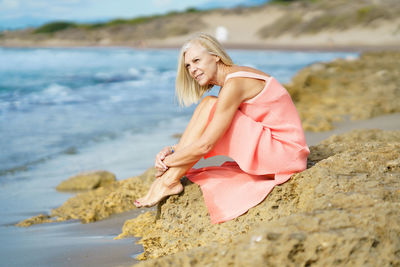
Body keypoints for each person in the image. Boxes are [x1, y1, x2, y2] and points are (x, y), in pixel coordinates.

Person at [134, 33, 309, 224]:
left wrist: (169, 162)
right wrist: (174, 150)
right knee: (209, 103)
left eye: (197, 60)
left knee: (210, 106)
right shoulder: (233, 80)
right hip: (283, 152)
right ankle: (169, 179)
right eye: (188, 66)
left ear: (215, 56)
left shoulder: (235, 84)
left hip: (285, 155)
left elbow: (205, 146)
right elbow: (207, 135)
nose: (192, 69)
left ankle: (168, 181)